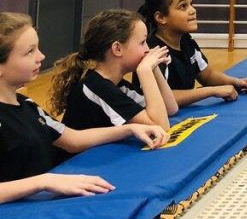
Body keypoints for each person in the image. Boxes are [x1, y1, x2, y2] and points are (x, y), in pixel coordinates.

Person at [0, 12, 166, 204]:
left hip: (38, 205)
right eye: (30, 52)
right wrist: (43, 181)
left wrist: (129, 129)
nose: (41, 56)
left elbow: (73, 139)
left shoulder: (26, 105)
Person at [51, 9, 179, 131]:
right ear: (117, 49)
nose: (147, 49)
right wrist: (145, 71)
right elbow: (161, 127)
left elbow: (171, 108)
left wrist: (154, 69)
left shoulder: (118, 85)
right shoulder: (96, 86)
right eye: (142, 42)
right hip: (83, 154)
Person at [139, 0, 247, 106]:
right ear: (161, 17)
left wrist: (237, 82)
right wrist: (212, 91)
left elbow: (207, 75)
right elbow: (160, 99)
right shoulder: (154, 53)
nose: (193, 10)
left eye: (191, 4)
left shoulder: (187, 42)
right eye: (183, 6)